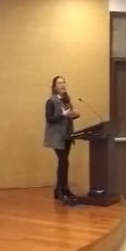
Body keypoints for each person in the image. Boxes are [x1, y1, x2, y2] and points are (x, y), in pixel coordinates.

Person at [43, 75, 80, 203]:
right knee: (63, 161)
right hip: (57, 136)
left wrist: (74, 115)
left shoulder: (66, 101)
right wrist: (63, 115)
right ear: (54, 87)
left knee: (64, 162)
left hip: (67, 135)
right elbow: (49, 119)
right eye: (59, 83)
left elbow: (67, 118)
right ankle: (62, 190)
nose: (62, 85)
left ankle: (61, 190)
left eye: (63, 82)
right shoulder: (51, 101)